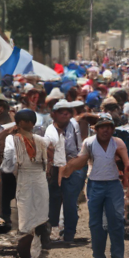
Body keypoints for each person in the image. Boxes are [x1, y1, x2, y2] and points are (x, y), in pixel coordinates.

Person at [61, 113, 129, 258]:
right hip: (94, 185)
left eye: (108, 127)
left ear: (113, 129)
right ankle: (98, 257)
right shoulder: (89, 143)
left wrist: (127, 184)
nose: (105, 130)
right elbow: (82, 159)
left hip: (113, 184)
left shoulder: (118, 143)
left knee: (116, 221)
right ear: (96, 129)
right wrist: (70, 166)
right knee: (95, 223)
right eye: (102, 127)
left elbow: (127, 165)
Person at [1, 109, 51, 258]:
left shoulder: (12, 139)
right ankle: (34, 252)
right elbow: (47, 162)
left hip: (25, 176)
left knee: (26, 210)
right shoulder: (41, 140)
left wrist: (9, 170)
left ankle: (29, 250)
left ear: (19, 123)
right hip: (40, 177)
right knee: (38, 211)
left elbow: (8, 163)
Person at [45, 100, 86, 242]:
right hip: (55, 167)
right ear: (53, 114)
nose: (65, 114)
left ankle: (69, 234)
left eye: (68, 111)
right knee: (53, 199)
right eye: (61, 111)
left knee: (70, 201)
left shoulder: (73, 125)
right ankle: (52, 231)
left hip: (72, 165)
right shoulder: (49, 130)